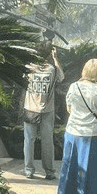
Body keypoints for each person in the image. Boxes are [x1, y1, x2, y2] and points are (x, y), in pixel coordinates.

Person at [57, 59, 97, 194]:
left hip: (73, 131)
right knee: (91, 168)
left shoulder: (73, 87)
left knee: (70, 165)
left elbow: (69, 109)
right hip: (93, 134)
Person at [21, 41, 64, 180]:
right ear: (49, 53)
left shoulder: (28, 68)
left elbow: (22, 83)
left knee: (29, 140)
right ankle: (49, 172)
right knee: (47, 141)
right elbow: (61, 77)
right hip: (47, 110)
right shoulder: (52, 69)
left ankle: (28, 170)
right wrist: (56, 58)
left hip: (30, 108)